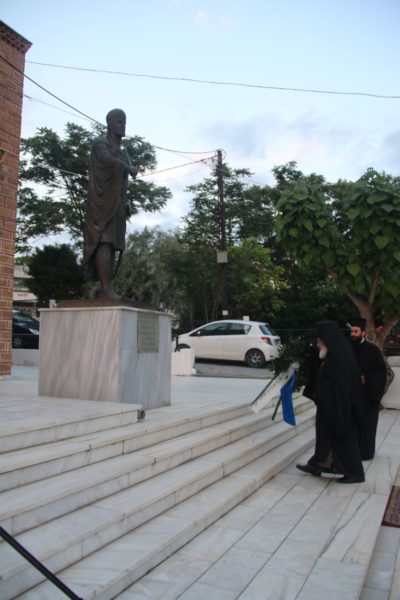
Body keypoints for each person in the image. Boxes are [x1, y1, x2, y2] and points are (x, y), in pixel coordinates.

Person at [297, 320, 365, 483]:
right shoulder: (334, 356)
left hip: (339, 409)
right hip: (331, 407)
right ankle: (317, 465)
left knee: (344, 442)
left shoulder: (337, 361)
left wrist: (320, 394)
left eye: (320, 341)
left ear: (327, 342)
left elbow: (336, 386)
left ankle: (356, 474)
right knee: (326, 438)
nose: (318, 345)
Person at [83, 109, 137, 299]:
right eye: (119, 121)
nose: (123, 125)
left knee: (113, 244)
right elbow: (107, 161)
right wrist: (128, 168)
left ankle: (108, 287)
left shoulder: (123, 152)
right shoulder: (100, 144)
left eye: (124, 122)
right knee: (104, 241)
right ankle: (105, 289)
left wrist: (126, 202)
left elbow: (121, 184)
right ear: (110, 123)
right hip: (102, 203)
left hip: (118, 202)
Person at [350, 317, 387, 460]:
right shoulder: (347, 349)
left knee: (367, 426)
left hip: (368, 395)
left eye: (356, 331)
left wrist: (367, 378)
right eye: (351, 331)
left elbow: (381, 372)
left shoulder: (373, 350)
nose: (353, 334)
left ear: (363, 332)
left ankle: (366, 453)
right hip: (352, 395)